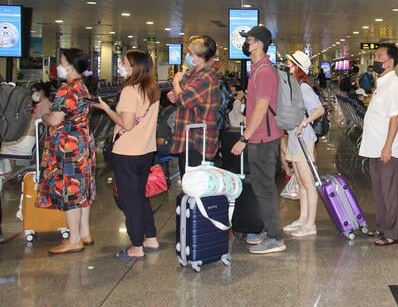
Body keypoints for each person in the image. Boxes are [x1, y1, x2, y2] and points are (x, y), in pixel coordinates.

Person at [96, 51, 160, 259]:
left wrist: (107, 109)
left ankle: (136, 245)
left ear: (135, 67)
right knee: (139, 195)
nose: (122, 66)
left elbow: (127, 124)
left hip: (127, 151)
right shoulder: (152, 89)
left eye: (124, 63)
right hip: (146, 150)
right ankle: (150, 237)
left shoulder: (130, 91)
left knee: (129, 199)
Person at [231, 26, 286, 254]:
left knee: (265, 189)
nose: (247, 44)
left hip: (263, 138)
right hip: (260, 137)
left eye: (250, 40)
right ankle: (268, 229)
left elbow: (262, 109)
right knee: (261, 187)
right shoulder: (257, 69)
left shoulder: (264, 72)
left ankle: (275, 238)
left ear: (260, 44)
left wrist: (244, 138)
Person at [37, 48, 97, 255]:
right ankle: (84, 233)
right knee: (83, 189)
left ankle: (74, 239)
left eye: (61, 62)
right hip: (83, 143)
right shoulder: (83, 87)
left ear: (70, 66)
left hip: (68, 147)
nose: (59, 66)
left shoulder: (68, 90)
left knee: (71, 190)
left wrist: (44, 116)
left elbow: (55, 119)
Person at [360, 44, 398, 246]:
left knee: (390, 192)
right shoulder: (382, 84)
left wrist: (388, 147)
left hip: (387, 148)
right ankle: (381, 226)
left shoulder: (395, 86)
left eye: (379, 57)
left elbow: (395, 118)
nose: (375, 60)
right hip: (375, 146)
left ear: (390, 62)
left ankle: (393, 233)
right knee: (379, 191)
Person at [282, 51, 325, 238]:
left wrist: (304, 123)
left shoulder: (304, 88)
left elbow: (319, 110)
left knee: (308, 182)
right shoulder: (295, 87)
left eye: (290, 64)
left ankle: (310, 223)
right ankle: (302, 218)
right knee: (300, 181)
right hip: (294, 139)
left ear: (297, 68)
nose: (287, 66)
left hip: (303, 139)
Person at [167, 35, 221, 178]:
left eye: (190, 53)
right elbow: (181, 96)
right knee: (187, 183)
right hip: (186, 139)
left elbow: (184, 100)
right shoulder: (192, 73)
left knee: (196, 185)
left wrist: (175, 82)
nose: (187, 55)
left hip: (198, 141)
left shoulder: (207, 77)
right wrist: (174, 94)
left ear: (200, 57)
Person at [0, 82, 53, 177]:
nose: (32, 95)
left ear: (41, 92)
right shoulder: (36, 105)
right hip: (27, 139)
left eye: (34, 92)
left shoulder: (46, 106)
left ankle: (6, 175)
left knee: (4, 146)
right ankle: (8, 175)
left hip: (27, 140)